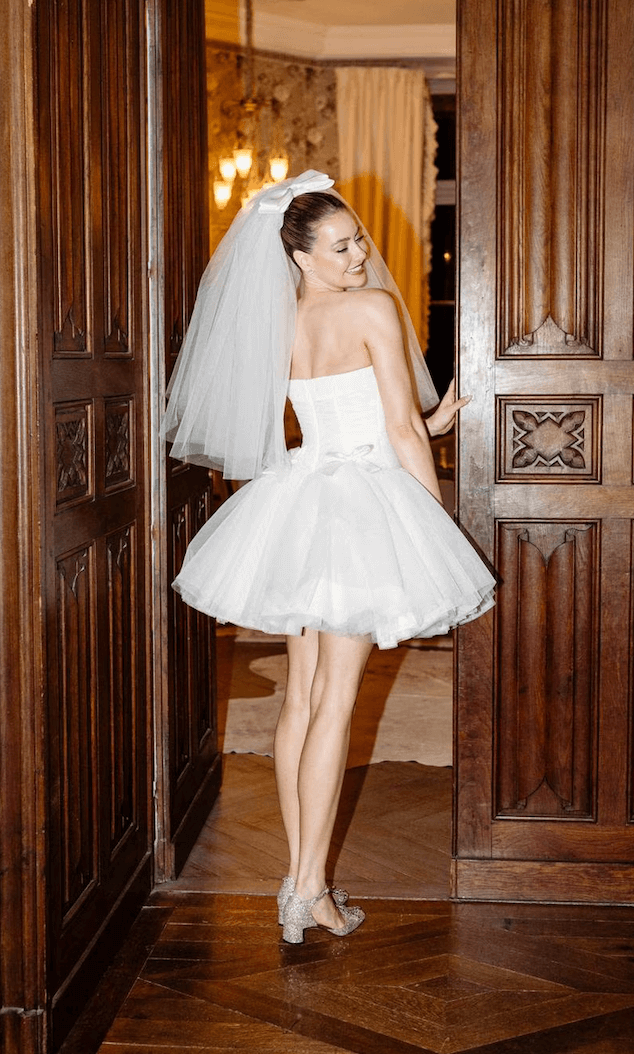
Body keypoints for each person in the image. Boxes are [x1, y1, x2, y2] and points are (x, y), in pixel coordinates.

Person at [162, 171, 495, 944]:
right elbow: (397, 437)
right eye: (342, 246)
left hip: (300, 498)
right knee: (333, 704)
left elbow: (362, 416)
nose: (360, 254)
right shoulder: (372, 309)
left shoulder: (278, 322)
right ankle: (306, 887)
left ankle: (299, 878)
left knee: (302, 700)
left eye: (359, 241)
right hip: (358, 508)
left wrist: (430, 421)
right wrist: (435, 517)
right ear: (301, 254)